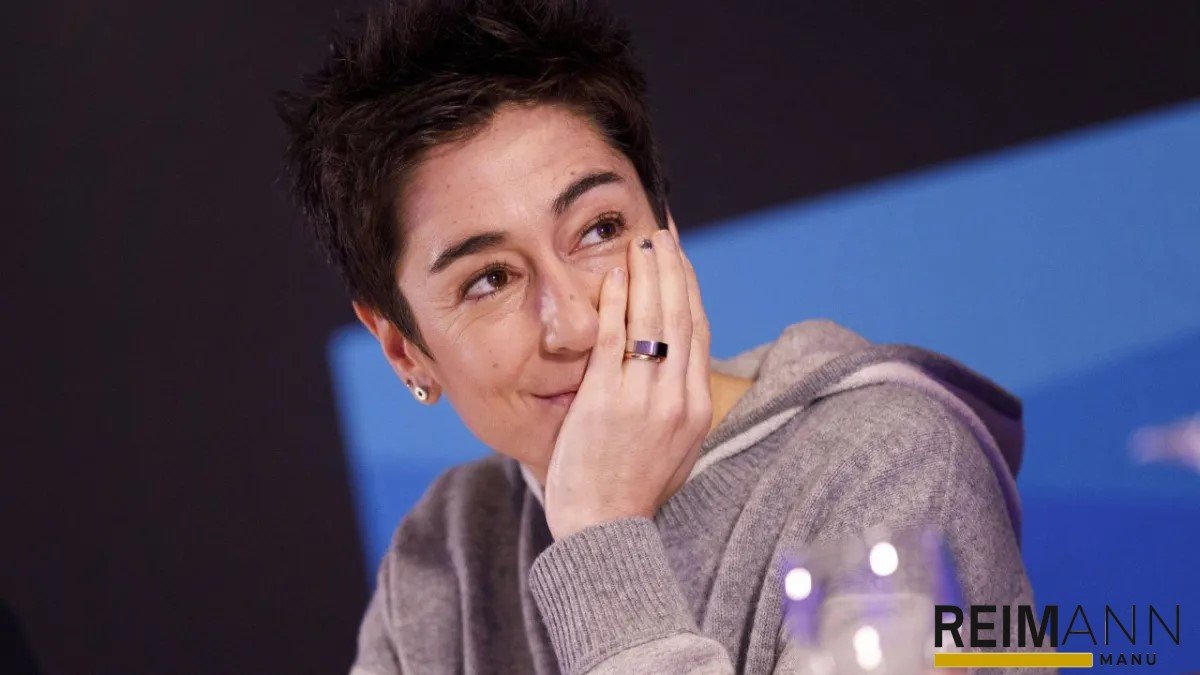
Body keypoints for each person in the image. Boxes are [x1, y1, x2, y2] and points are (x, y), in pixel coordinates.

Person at [275, 1, 1047, 672]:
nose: (575, 322)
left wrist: (602, 534)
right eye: (490, 279)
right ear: (403, 348)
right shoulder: (446, 551)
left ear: (666, 229)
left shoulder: (891, 465)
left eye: (598, 229)